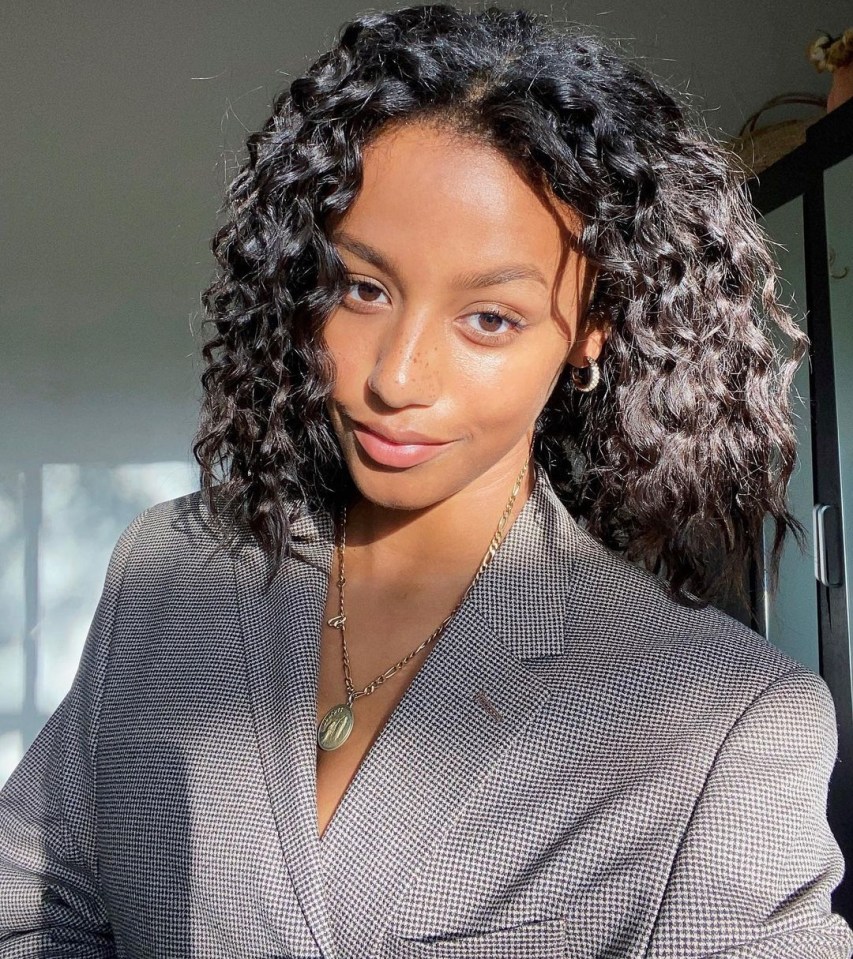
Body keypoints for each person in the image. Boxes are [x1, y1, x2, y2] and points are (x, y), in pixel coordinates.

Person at [1, 4, 851, 957]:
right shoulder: (171, 568)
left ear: (589, 333)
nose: (393, 379)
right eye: (362, 287)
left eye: (489, 318)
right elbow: (36, 904)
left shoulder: (719, 719)